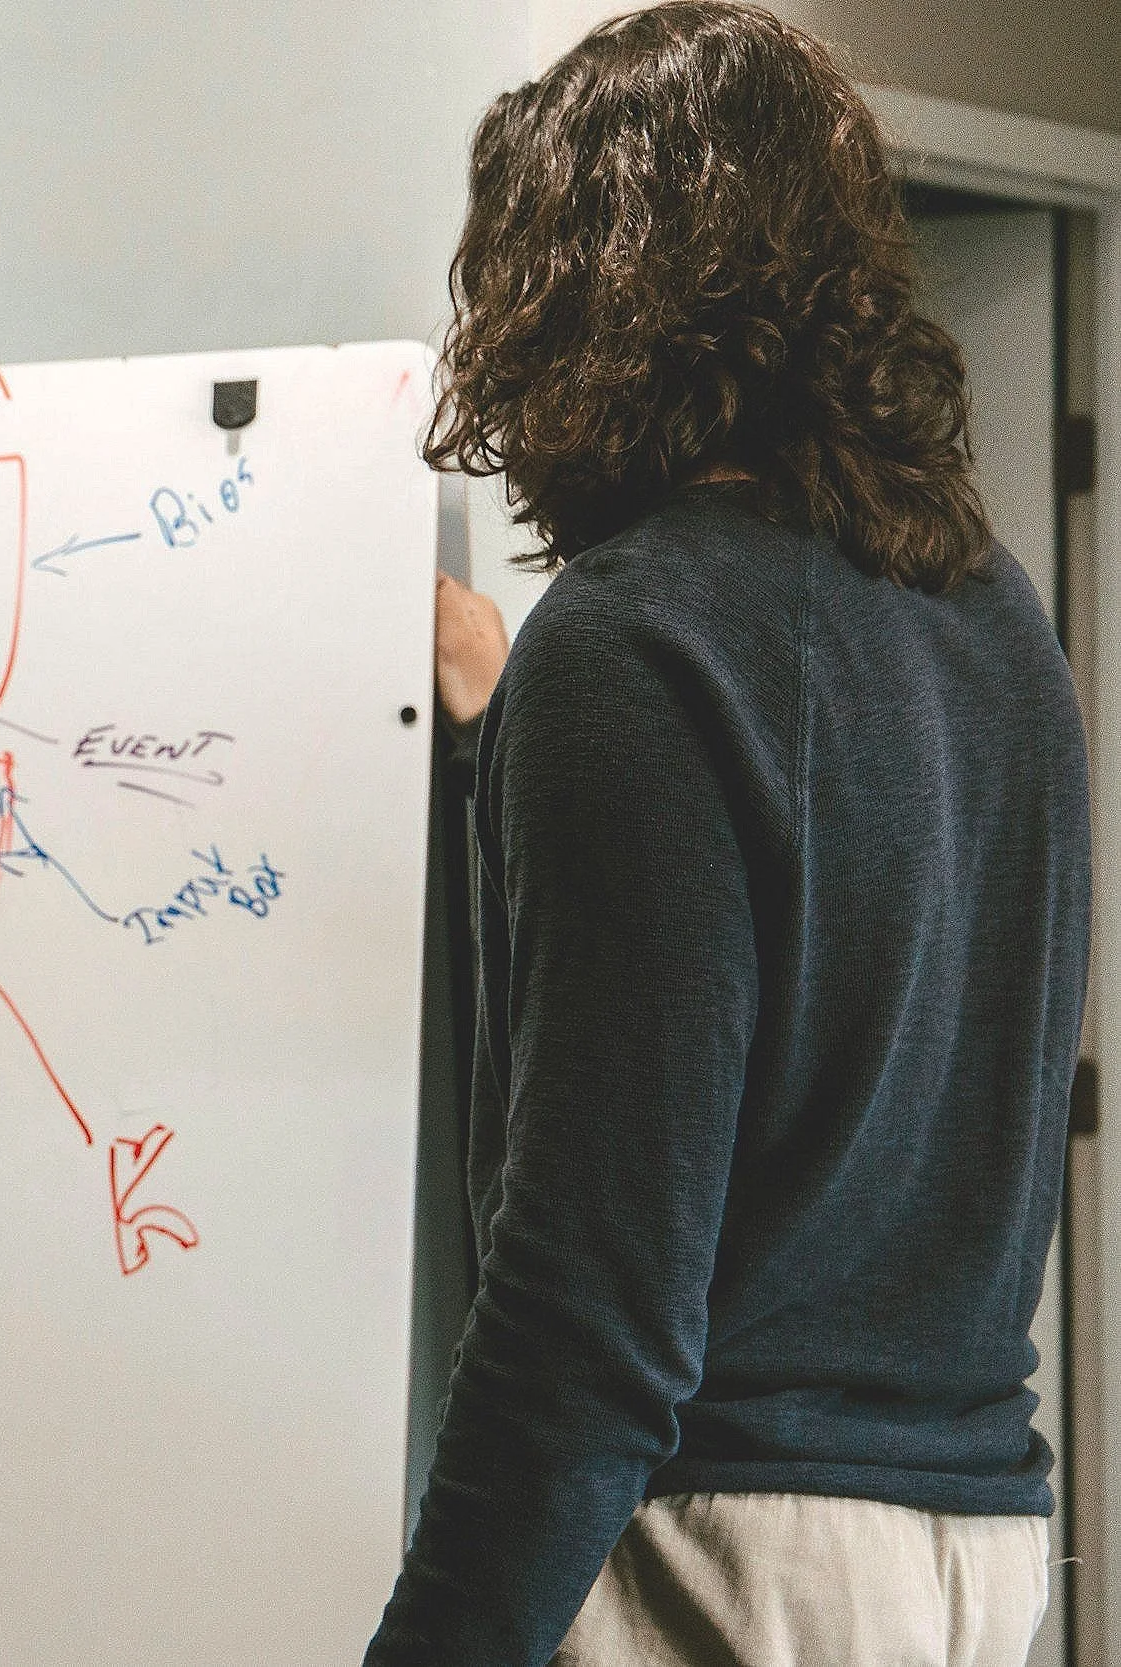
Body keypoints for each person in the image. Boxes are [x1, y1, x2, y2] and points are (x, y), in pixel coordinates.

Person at [368, 6, 1084, 1665]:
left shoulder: (633, 645)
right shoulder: (994, 622)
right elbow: (837, 996)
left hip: (735, 1563)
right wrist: (505, 736)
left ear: (578, 297)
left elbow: (589, 1312)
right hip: (977, 1553)